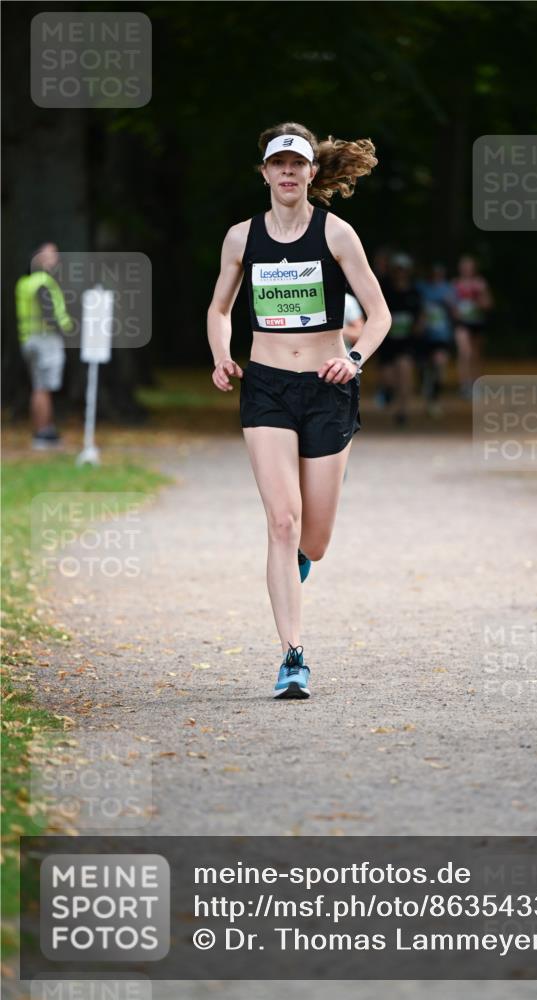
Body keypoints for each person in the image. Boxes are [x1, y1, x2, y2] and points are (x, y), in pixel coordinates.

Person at [206, 122, 391, 700]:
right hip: (265, 388)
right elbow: (219, 309)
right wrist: (220, 356)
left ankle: (299, 562)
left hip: (327, 388)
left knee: (315, 538)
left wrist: (354, 358)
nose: (287, 171)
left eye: (297, 163)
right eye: (277, 163)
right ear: (264, 172)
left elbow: (380, 314)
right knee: (282, 523)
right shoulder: (241, 238)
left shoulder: (337, 234)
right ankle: (292, 657)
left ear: (312, 173)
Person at [15, 242, 74, 449]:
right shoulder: (43, 282)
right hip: (45, 340)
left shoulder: (24, 282)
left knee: (39, 387)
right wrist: (67, 331)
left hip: (29, 340)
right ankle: (43, 432)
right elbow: (50, 314)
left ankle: (45, 430)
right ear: (37, 258)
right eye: (50, 255)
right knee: (43, 388)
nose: (55, 259)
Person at [375, 253, 424, 426]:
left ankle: (403, 410)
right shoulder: (385, 290)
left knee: (405, 371)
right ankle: (388, 391)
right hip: (387, 341)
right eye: (398, 270)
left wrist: (419, 326)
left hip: (407, 341)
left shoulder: (414, 292)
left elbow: (420, 314)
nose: (401, 273)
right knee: (388, 378)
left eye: (404, 270)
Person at [415, 262, 457, 416]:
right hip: (424, 335)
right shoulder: (421, 288)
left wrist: (449, 304)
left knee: (439, 365)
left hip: (442, 335)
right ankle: (426, 392)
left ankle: (434, 399)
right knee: (424, 367)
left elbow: (456, 313)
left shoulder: (449, 289)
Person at [452, 254, 493, 399]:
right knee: (465, 352)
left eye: (469, 266)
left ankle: (476, 384)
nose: (466, 269)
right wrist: (455, 311)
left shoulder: (480, 283)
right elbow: (451, 304)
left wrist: (480, 300)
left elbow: (488, 304)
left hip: (477, 323)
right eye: (464, 266)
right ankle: (464, 385)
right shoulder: (455, 283)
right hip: (462, 324)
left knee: (476, 355)